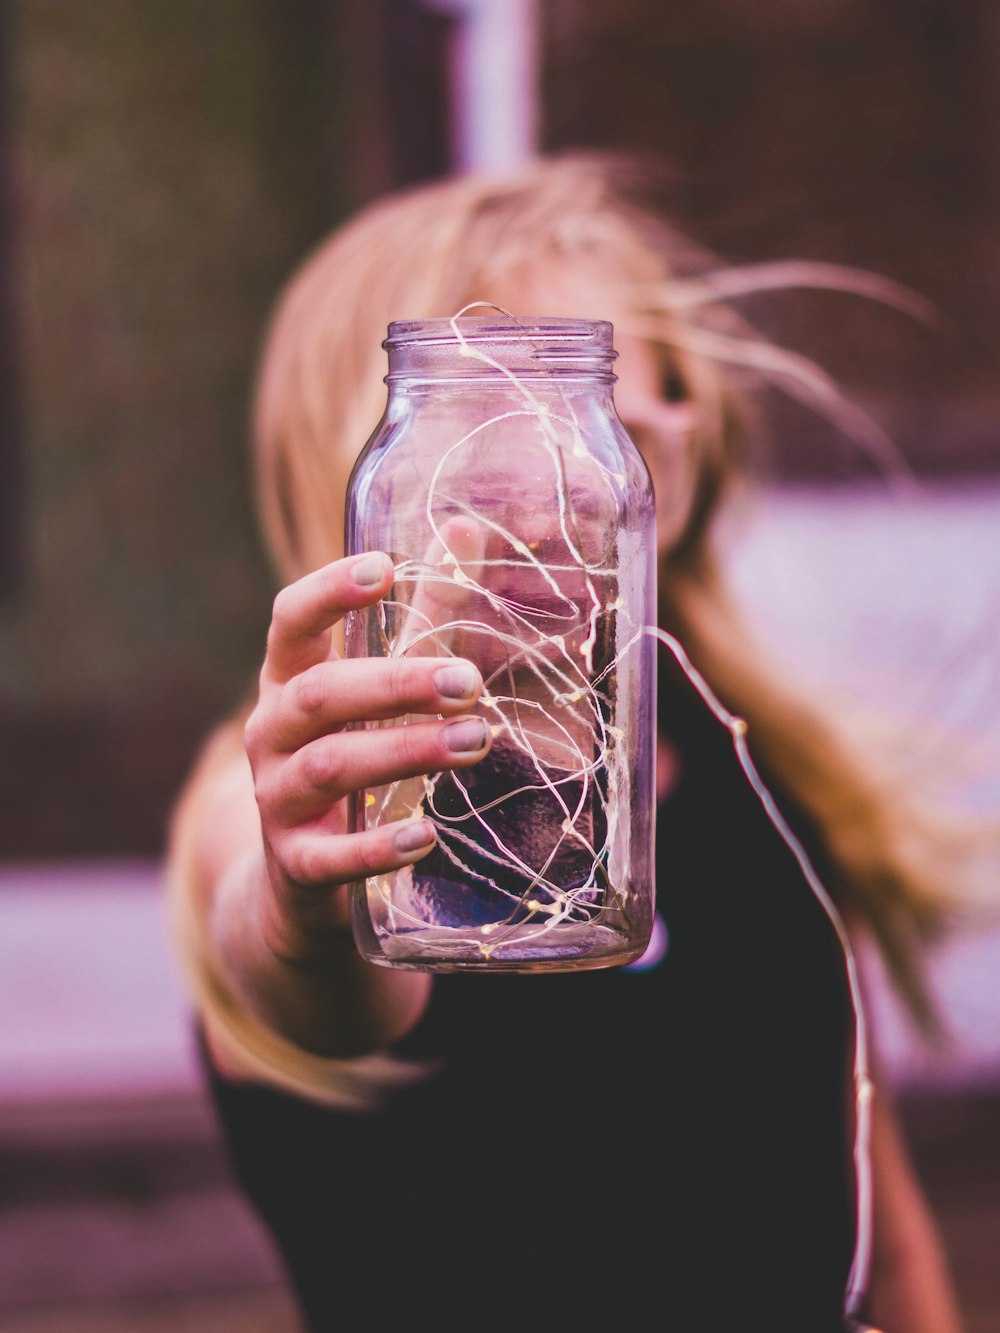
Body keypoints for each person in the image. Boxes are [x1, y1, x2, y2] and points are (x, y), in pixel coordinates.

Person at [165, 153, 974, 1332]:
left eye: (584, 395)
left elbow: (874, 1217)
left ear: (660, 444)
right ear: (377, 462)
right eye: (486, 419)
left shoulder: (749, 768)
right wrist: (302, 903)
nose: (541, 496)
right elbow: (289, 956)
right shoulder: (289, 792)